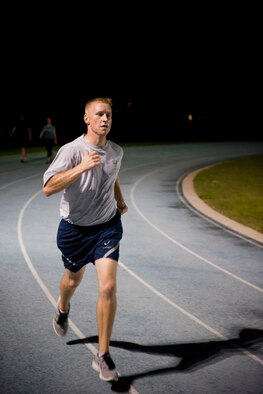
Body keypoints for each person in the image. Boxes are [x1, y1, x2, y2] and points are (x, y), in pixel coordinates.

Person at [42, 97, 128, 382]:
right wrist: (81, 168)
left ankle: (102, 355)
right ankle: (63, 307)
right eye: (99, 114)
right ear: (87, 119)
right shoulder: (72, 151)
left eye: (109, 115)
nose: (105, 119)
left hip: (107, 227)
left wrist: (119, 199)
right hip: (75, 231)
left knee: (108, 285)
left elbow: (111, 174)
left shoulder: (116, 151)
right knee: (72, 281)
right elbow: (48, 188)